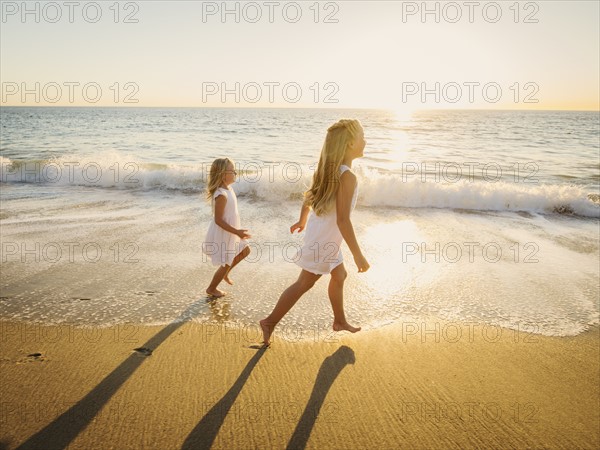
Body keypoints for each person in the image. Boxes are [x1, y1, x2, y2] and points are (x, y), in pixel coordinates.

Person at [260, 119, 370, 345]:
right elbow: (343, 220)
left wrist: (302, 220)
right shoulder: (346, 176)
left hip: (321, 234)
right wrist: (358, 254)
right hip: (325, 238)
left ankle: (339, 321)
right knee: (305, 283)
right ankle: (269, 322)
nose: (365, 141)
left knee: (339, 275)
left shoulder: (329, 170)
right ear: (350, 143)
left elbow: (310, 197)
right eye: (362, 137)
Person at [202, 158, 251, 298]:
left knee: (245, 250)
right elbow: (218, 220)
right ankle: (212, 288)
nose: (235, 172)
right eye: (232, 171)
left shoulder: (229, 189)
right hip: (225, 232)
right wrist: (236, 232)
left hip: (232, 230)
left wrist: (237, 231)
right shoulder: (221, 195)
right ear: (223, 174)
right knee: (226, 261)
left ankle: (226, 273)